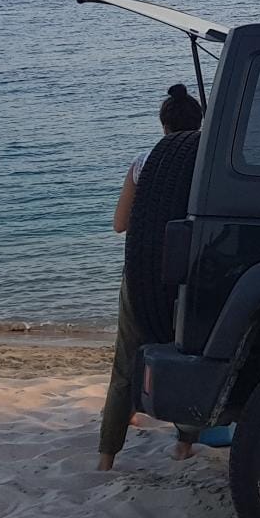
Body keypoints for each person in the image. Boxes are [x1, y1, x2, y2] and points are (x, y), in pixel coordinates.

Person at [97, 84, 204, 471]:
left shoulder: (144, 162)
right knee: (191, 354)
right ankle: (184, 445)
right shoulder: (208, 160)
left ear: (163, 125)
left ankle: (107, 457)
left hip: (140, 275)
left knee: (125, 364)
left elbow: (120, 224)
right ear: (202, 121)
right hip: (185, 276)